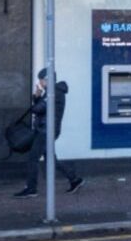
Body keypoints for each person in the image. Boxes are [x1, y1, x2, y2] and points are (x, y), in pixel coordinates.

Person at [13, 69, 83, 198]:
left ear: (47, 80)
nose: (40, 82)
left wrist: (36, 95)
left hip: (46, 131)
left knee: (33, 158)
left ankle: (31, 189)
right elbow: (41, 108)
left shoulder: (53, 93)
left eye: (41, 80)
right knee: (51, 160)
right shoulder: (52, 92)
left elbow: (37, 109)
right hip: (46, 130)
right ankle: (75, 179)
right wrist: (39, 97)